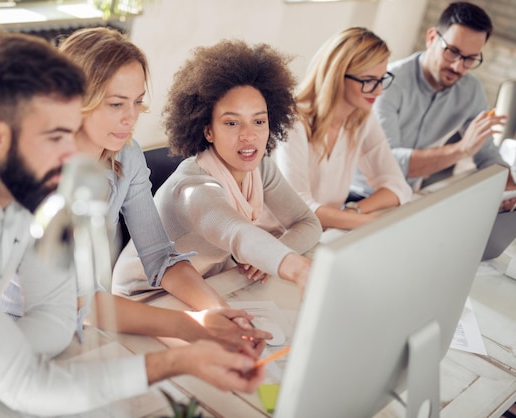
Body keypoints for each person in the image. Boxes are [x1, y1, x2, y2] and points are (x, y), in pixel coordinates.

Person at [0, 33, 264, 418]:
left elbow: (58, 314)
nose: (73, 156)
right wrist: (179, 361)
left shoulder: (22, 183)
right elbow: (29, 382)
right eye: (56, 136)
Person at [0, 26, 269, 354]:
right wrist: (192, 325)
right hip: (10, 332)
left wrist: (218, 311)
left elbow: (158, 254)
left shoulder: (126, 155)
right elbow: (73, 299)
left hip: (76, 329)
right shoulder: (33, 169)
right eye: (115, 104)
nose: (130, 118)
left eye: (137, 102)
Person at [112, 39, 322, 297]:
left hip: (206, 282)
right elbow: (237, 233)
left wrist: (271, 257)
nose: (249, 135)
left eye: (258, 121)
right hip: (147, 293)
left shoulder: (261, 168)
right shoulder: (193, 189)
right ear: (208, 130)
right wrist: (294, 267)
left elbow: (308, 223)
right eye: (232, 123)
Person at [351, 2, 516, 204]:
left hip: (405, 198)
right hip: (359, 194)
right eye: (452, 51)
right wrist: (462, 149)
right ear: (431, 38)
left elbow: (487, 154)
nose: (458, 66)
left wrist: (508, 188)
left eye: (470, 59)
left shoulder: (471, 90)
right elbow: (387, 161)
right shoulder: (387, 82)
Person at [272, 27, 413, 231]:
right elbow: (298, 208)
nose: (379, 90)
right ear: (337, 75)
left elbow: (399, 187)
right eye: (369, 81)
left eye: (382, 79)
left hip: (322, 234)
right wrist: (368, 223)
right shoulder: (293, 119)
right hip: (277, 238)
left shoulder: (361, 118)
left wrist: (354, 210)